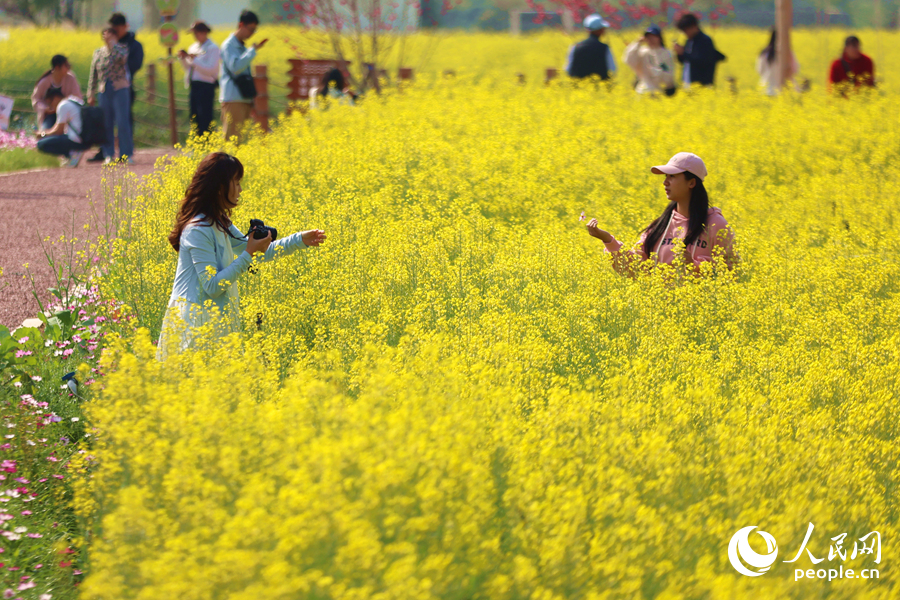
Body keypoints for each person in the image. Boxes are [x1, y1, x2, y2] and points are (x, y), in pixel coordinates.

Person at [157, 153, 327, 360]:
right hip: (194, 324)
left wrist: (299, 240)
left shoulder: (219, 222)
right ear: (220, 187)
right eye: (236, 182)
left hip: (215, 321)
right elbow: (211, 286)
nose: (240, 189)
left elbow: (260, 251)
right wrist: (248, 254)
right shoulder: (198, 229)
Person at [585, 152, 736, 276]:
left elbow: (732, 273)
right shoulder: (660, 226)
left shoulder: (716, 225)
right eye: (665, 177)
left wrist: (693, 266)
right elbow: (635, 270)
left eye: (672, 176)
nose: (665, 182)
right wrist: (608, 240)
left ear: (691, 183)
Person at [87, 27, 134, 165]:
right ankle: (108, 153)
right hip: (104, 89)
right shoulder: (98, 52)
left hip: (120, 88)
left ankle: (126, 154)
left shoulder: (122, 48)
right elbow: (93, 73)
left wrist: (113, 45)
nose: (106, 37)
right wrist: (91, 92)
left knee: (122, 122)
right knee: (106, 123)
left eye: (110, 34)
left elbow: (122, 59)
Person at [220, 10, 267, 143]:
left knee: (241, 141)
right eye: (251, 29)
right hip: (233, 98)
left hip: (243, 98)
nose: (251, 34)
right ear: (241, 24)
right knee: (232, 141)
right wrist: (252, 51)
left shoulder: (241, 46)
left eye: (254, 30)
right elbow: (235, 67)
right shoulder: (229, 45)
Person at [179, 21, 220, 136]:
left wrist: (194, 60)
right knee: (194, 117)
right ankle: (198, 142)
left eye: (197, 33)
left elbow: (211, 69)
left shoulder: (213, 48)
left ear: (204, 32)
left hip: (206, 85)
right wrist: (183, 58)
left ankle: (207, 144)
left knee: (205, 117)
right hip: (194, 85)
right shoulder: (193, 47)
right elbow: (188, 68)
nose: (195, 36)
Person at [35, 88, 90, 168]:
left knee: (41, 144)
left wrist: (43, 134)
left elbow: (58, 131)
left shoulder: (62, 105)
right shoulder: (74, 101)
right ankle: (72, 153)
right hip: (86, 139)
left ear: (56, 98)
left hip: (76, 140)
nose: (52, 107)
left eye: (50, 103)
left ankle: (71, 153)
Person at [673, 13, 726, 88]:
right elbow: (685, 62)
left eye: (685, 30)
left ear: (694, 27)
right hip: (687, 84)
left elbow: (701, 60)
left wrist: (683, 53)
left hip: (702, 86)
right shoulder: (689, 41)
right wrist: (679, 53)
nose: (685, 33)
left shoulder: (705, 41)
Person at [31, 55, 82, 132]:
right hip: (49, 115)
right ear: (57, 67)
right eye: (66, 66)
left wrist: (65, 105)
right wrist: (45, 108)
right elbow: (36, 99)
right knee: (46, 133)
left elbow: (78, 98)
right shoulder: (44, 81)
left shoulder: (71, 79)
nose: (68, 68)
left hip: (67, 116)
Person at [623, 25, 675, 95]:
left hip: (659, 93)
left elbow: (669, 77)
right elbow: (628, 60)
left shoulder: (667, 53)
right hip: (643, 92)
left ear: (659, 38)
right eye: (648, 37)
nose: (650, 39)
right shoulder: (643, 52)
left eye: (653, 37)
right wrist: (638, 43)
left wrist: (656, 72)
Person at [565, 14, 617, 81]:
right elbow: (612, 69)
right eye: (602, 28)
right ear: (600, 30)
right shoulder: (604, 48)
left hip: (578, 88)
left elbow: (568, 69)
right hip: (600, 88)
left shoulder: (575, 46)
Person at [756, 30, 799, 96]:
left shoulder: (764, 53)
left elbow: (760, 70)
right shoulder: (788, 52)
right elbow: (795, 70)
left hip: (767, 90)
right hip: (786, 90)